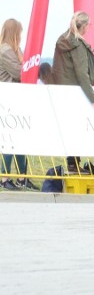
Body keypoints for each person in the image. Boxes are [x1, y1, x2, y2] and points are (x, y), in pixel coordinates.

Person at [52, 11, 94, 173]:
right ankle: (74, 163)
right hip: (75, 92)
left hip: (63, 90)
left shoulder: (63, 40)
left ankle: (72, 163)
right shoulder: (78, 44)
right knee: (77, 127)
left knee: (70, 126)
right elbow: (81, 73)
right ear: (84, 26)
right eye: (89, 25)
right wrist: (93, 97)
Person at [0, 18, 38, 190]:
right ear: (14, 33)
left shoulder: (13, 49)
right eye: (19, 33)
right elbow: (19, 73)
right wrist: (27, 64)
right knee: (10, 139)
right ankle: (4, 176)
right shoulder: (6, 51)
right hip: (9, 100)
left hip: (16, 99)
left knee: (20, 138)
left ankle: (22, 177)